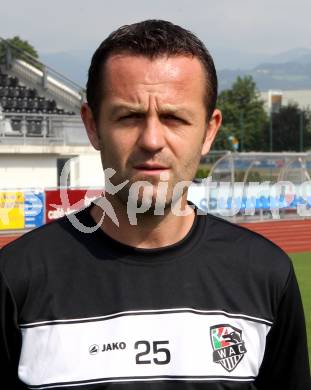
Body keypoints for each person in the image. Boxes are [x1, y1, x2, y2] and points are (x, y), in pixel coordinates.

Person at [0, 20, 310, 390]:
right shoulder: (15, 280)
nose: (151, 140)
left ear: (209, 131)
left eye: (174, 118)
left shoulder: (267, 275)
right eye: (129, 116)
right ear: (93, 125)